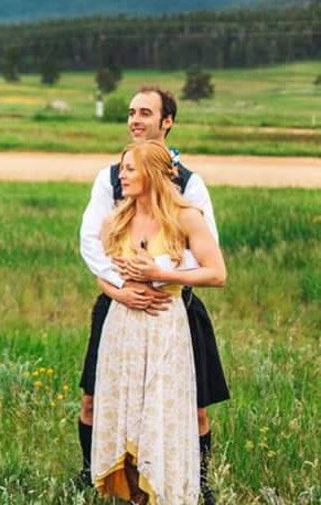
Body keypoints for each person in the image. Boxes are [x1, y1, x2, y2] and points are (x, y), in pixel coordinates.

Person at [77, 86, 229, 505]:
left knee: (192, 407)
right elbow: (92, 245)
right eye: (131, 112)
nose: (135, 119)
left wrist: (158, 275)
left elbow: (207, 255)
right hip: (118, 303)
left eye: (145, 112)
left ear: (167, 121)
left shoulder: (190, 187)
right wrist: (122, 287)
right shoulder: (109, 181)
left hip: (175, 306)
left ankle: (194, 482)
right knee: (97, 399)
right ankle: (99, 476)